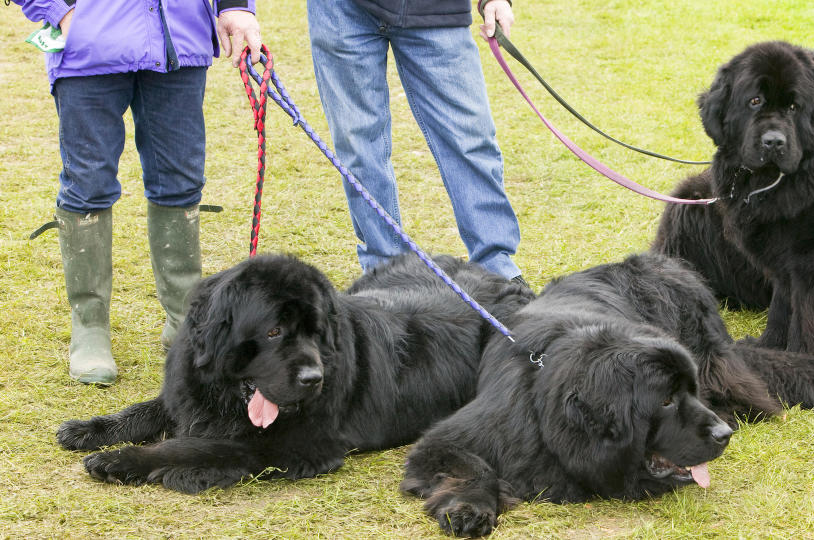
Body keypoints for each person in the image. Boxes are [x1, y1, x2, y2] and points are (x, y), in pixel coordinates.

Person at [12, 0, 262, 385]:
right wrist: (60, 11)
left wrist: (235, 5)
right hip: (89, 46)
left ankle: (185, 316)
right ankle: (90, 324)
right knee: (88, 185)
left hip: (179, 42)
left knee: (181, 181)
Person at [306, 0, 527, 284]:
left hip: (435, 8)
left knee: (469, 137)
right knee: (358, 146)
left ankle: (497, 270)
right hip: (340, 10)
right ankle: (384, 275)